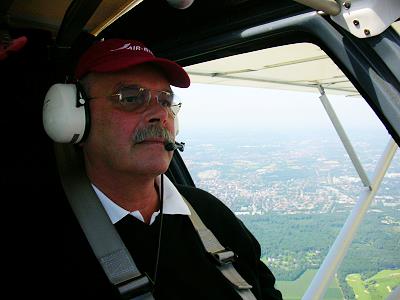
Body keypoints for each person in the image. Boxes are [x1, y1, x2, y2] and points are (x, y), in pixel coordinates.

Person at [59, 38, 282, 299]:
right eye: (130, 97)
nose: (160, 114)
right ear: (75, 118)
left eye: (165, 101)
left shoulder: (211, 213)